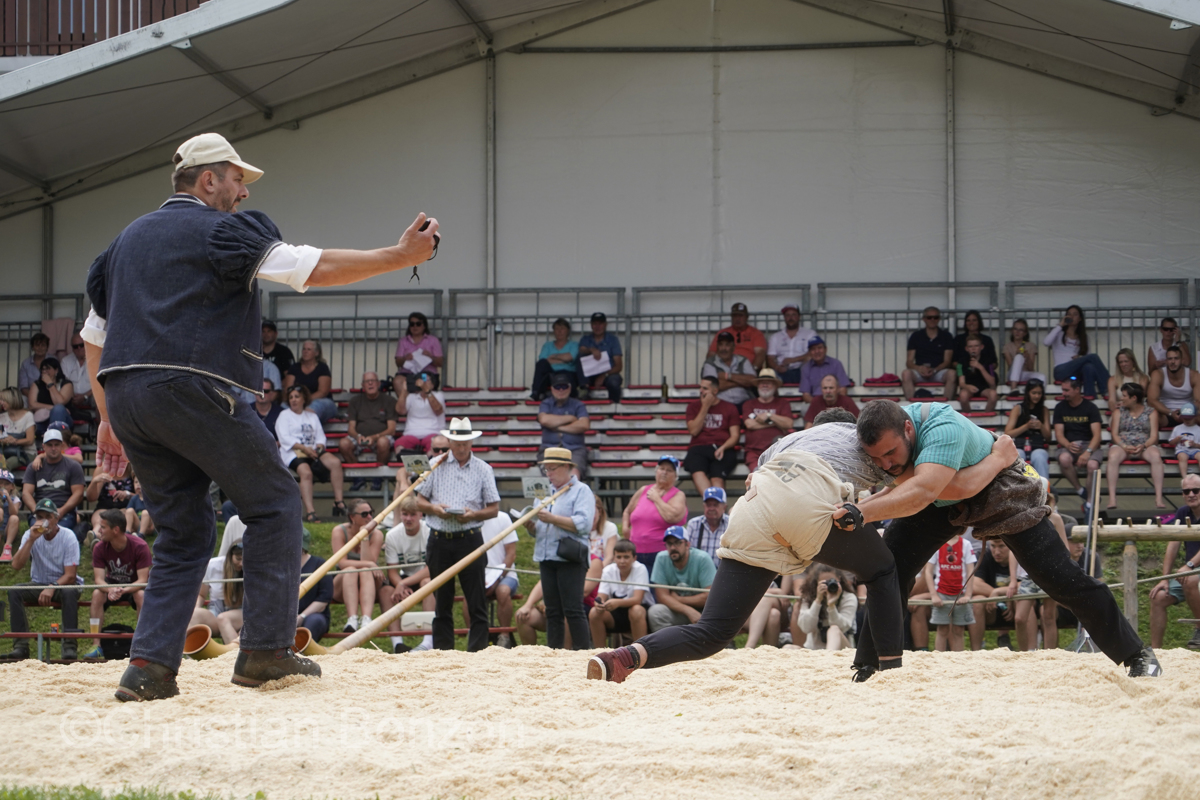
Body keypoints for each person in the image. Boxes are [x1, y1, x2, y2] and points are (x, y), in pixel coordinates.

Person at [83, 131, 439, 699]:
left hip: (128, 398)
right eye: (236, 178)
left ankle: (148, 667)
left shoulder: (123, 245)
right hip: (194, 386)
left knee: (181, 532)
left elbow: (94, 340)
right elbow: (310, 268)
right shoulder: (222, 230)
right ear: (208, 180)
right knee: (275, 504)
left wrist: (107, 420)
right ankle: (265, 652)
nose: (243, 191)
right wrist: (399, 257)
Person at [586, 419, 1014, 684]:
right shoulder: (861, 441)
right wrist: (995, 459)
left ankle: (625, 657)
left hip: (753, 509)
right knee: (884, 570)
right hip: (805, 502)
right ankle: (888, 671)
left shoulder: (791, 439)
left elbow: (756, 479)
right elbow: (931, 487)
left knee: (713, 632)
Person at [850, 399, 1160, 679]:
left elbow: (946, 489)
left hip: (998, 489)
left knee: (1060, 578)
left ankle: (1136, 653)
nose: (886, 465)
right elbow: (918, 486)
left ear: (908, 428)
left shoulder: (942, 426)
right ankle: (870, 664)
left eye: (891, 453)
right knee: (888, 568)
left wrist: (860, 512)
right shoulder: (882, 443)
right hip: (938, 498)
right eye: (877, 459)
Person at [415, 417, 501, 652]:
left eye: (465, 443)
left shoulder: (484, 469)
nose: (461, 447)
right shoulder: (434, 464)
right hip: (440, 538)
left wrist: (472, 515)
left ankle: (478, 652)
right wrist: (435, 509)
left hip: (470, 537)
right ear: (450, 442)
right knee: (442, 601)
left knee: (477, 601)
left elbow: (494, 509)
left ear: (471, 442)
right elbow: (418, 500)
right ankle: (444, 652)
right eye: (457, 442)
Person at [524, 447, 595, 650]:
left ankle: (583, 653)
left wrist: (553, 519)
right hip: (547, 556)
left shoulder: (582, 490)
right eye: (546, 470)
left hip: (570, 558)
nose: (549, 474)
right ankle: (553, 653)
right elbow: (542, 529)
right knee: (552, 610)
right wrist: (531, 526)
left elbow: (584, 524)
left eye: (553, 469)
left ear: (567, 468)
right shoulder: (544, 492)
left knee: (573, 610)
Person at [6, 499, 82, 660]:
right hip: (39, 583)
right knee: (15, 591)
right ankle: (21, 646)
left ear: (56, 518)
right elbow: (16, 565)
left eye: (48, 516)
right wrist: (31, 540)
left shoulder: (68, 536)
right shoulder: (30, 535)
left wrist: (53, 586)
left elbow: (70, 575)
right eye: (39, 516)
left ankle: (69, 646)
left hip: (63, 584)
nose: (43, 521)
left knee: (69, 593)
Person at [83, 509, 152, 658]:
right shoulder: (99, 547)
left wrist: (124, 590)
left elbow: (142, 580)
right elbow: (98, 580)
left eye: (103, 527)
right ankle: (96, 645)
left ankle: (140, 644)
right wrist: (111, 589)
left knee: (141, 595)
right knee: (96, 594)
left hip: (132, 587)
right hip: (111, 585)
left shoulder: (140, 546)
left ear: (115, 530)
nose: (99, 530)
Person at [277, 385, 347, 522]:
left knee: (335, 462)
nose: (294, 400)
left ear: (304, 399)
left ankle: (339, 502)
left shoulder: (312, 416)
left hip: (313, 451)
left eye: (297, 397)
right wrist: (304, 449)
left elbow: (320, 437)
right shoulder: (284, 416)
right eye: (291, 398)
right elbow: (284, 438)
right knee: (306, 473)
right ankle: (311, 511)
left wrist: (319, 447)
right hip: (292, 452)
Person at [1148, 473, 1200, 649]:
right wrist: (1165, 579)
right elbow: (1173, 543)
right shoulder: (1183, 512)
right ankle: (1156, 651)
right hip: (1191, 572)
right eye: (1186, 491)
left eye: (1195, 490)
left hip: (1192, 572)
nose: (1191, 494)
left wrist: (1189, 565)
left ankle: (1199, 628)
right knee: (1158, 597)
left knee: (1190, 578)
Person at [381, 494, 434, 653]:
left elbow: (432, 568)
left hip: (424, 576)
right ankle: (398, 643)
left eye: (412, 514)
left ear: (420, 515)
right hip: (403, 578)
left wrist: (403, 584)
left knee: (427, 584)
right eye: (405, 514)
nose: (408, 518)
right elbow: (392, 570)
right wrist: (399, 584)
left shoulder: (429, 531)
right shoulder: (392, 535)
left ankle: (428, 641)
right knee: (386, 591)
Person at [622, 455, 686, 579]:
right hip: (635, 553)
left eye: (669, 470)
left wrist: (657, 499)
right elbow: (627, 511)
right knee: (637, 591)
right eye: (661, 468)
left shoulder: (678, 495)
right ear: (656, 471)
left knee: (656, 592)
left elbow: (672, 517)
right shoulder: (643, 490)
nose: (664, 472)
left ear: (676, 476)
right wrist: (625, 528)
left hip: (661, 554)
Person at [1106, 382, 1165, 509]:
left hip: (1144, 445)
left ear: (1134, 398)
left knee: (1156, 456)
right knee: (1113, 456)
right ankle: (1112, 498)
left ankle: (1159, 498)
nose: (1121, 398)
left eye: (1124, 396)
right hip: (1123, 445)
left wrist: (1143, 446)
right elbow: (1114, 435)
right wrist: (1123, 445)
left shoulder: (1151, 412)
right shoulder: (1118, 412)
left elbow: (1154, 436)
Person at [647, 526, 716, 632]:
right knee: (655, 611)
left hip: (704, 611)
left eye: (678, 542)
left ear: (687, 544)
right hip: (678, 610)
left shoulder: (702, 558)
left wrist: (679, 599)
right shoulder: (661, 558)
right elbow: (661, 596)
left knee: (717, 611)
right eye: (669, 544)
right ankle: (666, 645)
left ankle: (720, 645)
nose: (673, 547)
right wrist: (688, 610)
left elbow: (709, 597)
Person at [330, 498, 384, 633]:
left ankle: (366, 619)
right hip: (343, 584)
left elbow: (369, 563)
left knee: (365, 570)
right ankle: (352, 619)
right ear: (352, 517)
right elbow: (342, 563)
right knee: (350, 570)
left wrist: (364, 536)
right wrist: (369, 563)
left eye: (371, 513)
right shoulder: (339, 531)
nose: (370, 517)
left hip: (369, 584)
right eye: (365, 514)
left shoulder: (377, 534)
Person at [22, 428, 85, 540]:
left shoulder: (73, 466)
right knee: (37, 534)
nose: (53, 448)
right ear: (43, 446)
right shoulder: (33, 467)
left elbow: (79, 494)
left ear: (62, 445)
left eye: (56, 444)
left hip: (64, 512)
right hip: (40, 510)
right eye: (50, 445)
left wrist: (61, 511)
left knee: (59, 534)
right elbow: (26, 493)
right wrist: (36, 511)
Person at [683, 376, 741, 494]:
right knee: (697, 471)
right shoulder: (693, 407)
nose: (701, 391)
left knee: (717, 477)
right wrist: (705, 406)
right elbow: (694, 431)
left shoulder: (730, 408)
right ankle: (710, 502)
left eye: (705, 388)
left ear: (715, 391)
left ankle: (718, 506)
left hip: (723, 448)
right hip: (699, 448)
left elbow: (735, 436)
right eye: (700, 387)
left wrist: (723, 447)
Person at [588, 539, 650, 647]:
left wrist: (617, 602)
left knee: (636, 610)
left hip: (639, 612)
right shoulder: (608, 570)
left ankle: (641, 652)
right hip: (615, 612)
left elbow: (637, 599)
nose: (622, 561)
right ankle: (599, 653)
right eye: (618, 557)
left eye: (626, 557)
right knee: (594, 612)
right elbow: (601, 596)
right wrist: (598, 603)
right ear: (614, 558)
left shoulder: (641, 569)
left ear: (634, 558)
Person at [921, 533, 976, 652]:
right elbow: (928, 572)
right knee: (942, 629)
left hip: (960, 594)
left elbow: (971, 571)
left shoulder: (966, 544)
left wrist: (967, 595)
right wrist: (934, 595)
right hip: (941, 593)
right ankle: (939, 658)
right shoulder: (937, 545)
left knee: (959, 630)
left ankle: (958, 659)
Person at [1043, 305, 1109, 398]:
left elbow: (1087, 357)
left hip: (1076, 372)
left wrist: (1080, 358)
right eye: (1069, 314)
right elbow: (1046, 342)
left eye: (1075, 314)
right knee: (1093, 357)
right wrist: (1060, 325)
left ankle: (1090, 398)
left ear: (1080, 319)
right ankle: (1107, 389)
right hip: (1061, 371)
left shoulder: (1083, 337)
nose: (1071, 317)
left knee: (1089, 367)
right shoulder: (1059, 333)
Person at [1052, 377, 1103, 499]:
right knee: (1064, 458)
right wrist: (1068, 445)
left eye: (1066, 390)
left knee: (1092, 465)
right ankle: (1080, 490)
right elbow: (1059, 435)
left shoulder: (1091, 407)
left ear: (1077, 390)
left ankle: (1090, 503)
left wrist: (1088, 452)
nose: (1063, 393)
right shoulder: (1060, 407)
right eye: (1063, 390)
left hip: (1089, 445)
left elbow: (1097, 435)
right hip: (1069, 445)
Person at [338, 372, 397, 472]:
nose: (370, 384)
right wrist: (358, 436)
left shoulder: (389, 401)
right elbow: (351, 428)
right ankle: (357, 476)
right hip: (360, 437)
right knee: (343, 443)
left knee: (383, 442)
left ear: (378, 384)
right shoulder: (355, 401)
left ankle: (378, 476)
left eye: (373, 381)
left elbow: (391, 430)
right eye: (367, 381)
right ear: (363, 386)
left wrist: (374, 437)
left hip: (380, 437)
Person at [968, 538, 1017, 651]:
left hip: (1015, 606)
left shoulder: (1020, 556)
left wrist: (999, 592)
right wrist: (999, 598)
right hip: (991, 609)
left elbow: (1027, 584)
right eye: (993, 546)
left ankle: (1028, 651)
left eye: (1001, 546)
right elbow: (975, 585)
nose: (997, 551)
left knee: (1024, 600)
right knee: (978, 600)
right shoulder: (984, 555)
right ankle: (976, 652)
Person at [792, 565, 856, 650]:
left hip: (842, 650)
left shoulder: (848, 597)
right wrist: (817, 601)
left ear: (839, 579)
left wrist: (832, 606)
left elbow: (843, 627)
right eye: (824, 583)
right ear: (816, 583)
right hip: (814, 650)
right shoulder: (808, 597)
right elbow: (806, 628)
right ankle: (824, 658)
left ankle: (827, 660)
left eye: (832, 581)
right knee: (788, 647)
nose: (829, 585)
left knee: (834, 630)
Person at [740, 369, 794, 469]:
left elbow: (789, 424)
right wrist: (775, 423)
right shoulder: (749, 404)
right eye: (761, 383)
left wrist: (769, 415)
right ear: (757, 386)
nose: (764, 385)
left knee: (777, 479)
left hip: (778, 451)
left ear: (774, 386)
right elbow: (749, 425)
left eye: (768, 383)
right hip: (754, 452)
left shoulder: (783, 403)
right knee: (758, 476)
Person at [537, 376, 590, 476]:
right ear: (552, 389)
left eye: (564, 386)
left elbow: (584, 425)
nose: (561, 390)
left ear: (569, 388)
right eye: (557, 387)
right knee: (551, 475)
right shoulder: (546, 404)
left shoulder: (578, 405)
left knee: (573, 476)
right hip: (549, 450)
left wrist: (557, 427)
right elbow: (544, 420)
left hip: (575, 449)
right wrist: (571, 418)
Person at [482, 512, 520, 649]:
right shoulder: (470, 520)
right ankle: (475, 637)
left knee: (502, 591)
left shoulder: (502, 518)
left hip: (506, 575)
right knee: (470, 594)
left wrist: (497, 578)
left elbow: (511, 553)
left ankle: (504, 637)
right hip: (481, 577)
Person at [902, 307, 955, 401]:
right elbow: (909, 362)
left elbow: (947, 361)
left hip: (938, 371)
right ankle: (912, 408)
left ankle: (946, 408)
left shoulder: (946, 336)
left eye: (935, 317)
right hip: (920, 371)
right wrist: (919, 368)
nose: (933, 320)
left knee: (952, 373)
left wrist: (934, 370)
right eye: (929, 317)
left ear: (939, 319)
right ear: (924, 319)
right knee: (906, 373)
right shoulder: (916, 336)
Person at [284, 340, 337, 424]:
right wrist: (298, 400)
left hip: (319, 400)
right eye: (304, 349)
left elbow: (323, 392)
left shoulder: (322, 368)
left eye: (309, 349)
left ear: (316, 353)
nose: (305, 352)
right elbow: (288, 389)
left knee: (313, 407)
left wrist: (304, 400)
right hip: (297, 399)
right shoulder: (294, 368)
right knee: (282, 408)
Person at [1005, 380, 1050, 479]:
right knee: (1018, 456)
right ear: (1028, 393)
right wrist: (1026, 426)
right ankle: (1017, 490)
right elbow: (1008, 433)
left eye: (1039, 393)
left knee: (1039, 457)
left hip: (1038, 446)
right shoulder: (1018, 408)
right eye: (1034, 393)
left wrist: (1041, 426)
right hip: (1020, 445)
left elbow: (1048, 437)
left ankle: (1044, 490)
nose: (1037, 396)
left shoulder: (1044, 410)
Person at [297, 527, 334, 644]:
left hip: (313, 614)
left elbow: (324, 598)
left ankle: (301, 654)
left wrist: (301, 616)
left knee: (313, 621)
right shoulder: (282, 566)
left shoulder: (319, 564)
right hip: (285, 615)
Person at [701, 331, 757, 408]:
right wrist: (742, 382)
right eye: (720, 345)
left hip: (744, 403)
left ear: (733, 347)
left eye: (727, 345)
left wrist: (728, 376)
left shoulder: (743, 360)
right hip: (720, 404)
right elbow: (711, 387)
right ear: (717, 347)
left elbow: (753, 381)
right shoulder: (710, 363)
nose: (723, 348)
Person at [1149, 345, 1200, 428]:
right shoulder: (1158, 374)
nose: (1173, 362)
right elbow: (1152, 400)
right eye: (1170, 359)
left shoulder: (1194, 375)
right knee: (1152, 417)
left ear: (1182, 360)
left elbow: (1198, 401)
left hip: (1189, 415)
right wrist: (1170, 412)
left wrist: (1185, 411)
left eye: (1176, 358)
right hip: (1166, 414)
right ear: (1166, 361)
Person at [394, 372, 446, 455]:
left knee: (434, 449)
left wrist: (427, 391)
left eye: (426, 380)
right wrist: (404, 391)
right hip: (411, 433)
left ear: (432, 385)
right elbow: (400, 411)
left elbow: (438, 410)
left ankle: (429, 464)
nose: (423, 382)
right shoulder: (411, 397)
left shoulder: (438, 395)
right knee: (400, 447)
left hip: (433, 432)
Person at [577, 311, 624, 402]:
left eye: (600, 324)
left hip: (608, 373)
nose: (597, 327)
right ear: (591, 325)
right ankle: (584, 390)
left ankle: (614, 410)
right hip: (589, 375)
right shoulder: (585, 339)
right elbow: (581, 350)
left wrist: (604, 375)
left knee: (614, 382)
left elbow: (618, 366)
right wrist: (591, 350)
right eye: (595, 324)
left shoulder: (613, 340)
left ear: (605, 324)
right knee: (580, 357)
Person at [393, 311, 444, 395]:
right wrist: (405, 359)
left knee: (424, 380)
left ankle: (421, 405)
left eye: (418, 324)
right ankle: (405, 406)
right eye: (412, 324)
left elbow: (440, 362)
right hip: (407, 374)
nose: (415, 326)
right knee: (397, 381)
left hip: (426, 373)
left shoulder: (433, 340)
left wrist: (430, 357)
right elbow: (398, 362)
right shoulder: (403, 341)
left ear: (424, 326)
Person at [767, 303, 817, 385]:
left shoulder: (809, 334)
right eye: (788, 315)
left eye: (793, 315)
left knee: (809, 360)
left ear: (799, 317)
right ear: (784, 318)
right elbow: (770, 357)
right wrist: (777, 367)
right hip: (781, 370)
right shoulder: (776, 337)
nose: (790, 318)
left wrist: (793, 360)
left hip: (802, 369)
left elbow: (814, 352)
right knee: (769, 375)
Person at [84, 466, 136, 544]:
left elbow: (142, 496)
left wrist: (127, 494)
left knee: (122, 519)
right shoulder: (102, 469)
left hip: (125, 506)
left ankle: (122, 540)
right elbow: (91, 498)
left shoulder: (132, 469)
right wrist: (94, 482)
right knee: (100, 520)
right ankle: (95, 537)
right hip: (104, 506)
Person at [530, 318, 579, 400]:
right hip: (551, 374)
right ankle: (536, 393)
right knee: (541, 364)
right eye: (557, 329)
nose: (559, 331)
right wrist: (563, 360)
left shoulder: (574, 344)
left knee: (568, 377)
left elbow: (570, 357)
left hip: (568, 374)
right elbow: (544, 360)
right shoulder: (547, 345)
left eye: (562, 329)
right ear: (553, 331)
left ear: (568, 331)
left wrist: (553, 356)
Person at [707, 302, 767, 370]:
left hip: (748, 370)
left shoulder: (756, 333)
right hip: (724, 369)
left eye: (740, 316)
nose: (737, 319)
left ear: (747, 317)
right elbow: (711, 353)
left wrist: (752, 370)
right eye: (735, 316)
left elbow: (760, 354)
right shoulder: (723, 333)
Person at [27, 356, 75, 435]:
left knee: (58, 409)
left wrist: (50, 384)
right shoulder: (37, 384)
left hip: (63, 421)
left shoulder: (66, 384)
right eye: (43, 369)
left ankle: (54, 437)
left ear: (56, 370)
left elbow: (59, 402)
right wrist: (52, 408)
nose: (45, 371)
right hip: (42, 420)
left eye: (48, 369)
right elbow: (32, 405)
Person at [797, 337, 850, 404]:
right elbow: (806, 395)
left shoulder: (836, 364)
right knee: (804, 409)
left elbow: (843, 390)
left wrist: (834, 406)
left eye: (819, 348)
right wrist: (818, 406)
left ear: (825, 349)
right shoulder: (805, 368)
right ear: (809, 352)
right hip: (815, 404)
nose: (817, 351)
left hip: (835, 402)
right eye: (813, 349)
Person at [684, 487, 728, 566]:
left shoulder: (731, 524)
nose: (711, 508)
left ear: (724, 507)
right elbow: (685, 552)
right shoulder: (693, 524)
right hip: (699, 574)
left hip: (724, 574)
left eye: (715, 505)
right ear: (703, 506)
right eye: (708, 505)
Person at [956, 333, 998, 412]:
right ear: (966, 348)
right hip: (969, 388)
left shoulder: (988, 360)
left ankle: (985, 419)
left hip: (984, 388)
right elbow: (961, 383)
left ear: (981, 347)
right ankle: (968, 421)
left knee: (993, 394)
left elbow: (992, 383)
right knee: (963, 395)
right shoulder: (961, 362)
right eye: (970, 346)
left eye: (976, 346)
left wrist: (980, 367)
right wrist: (968, 387)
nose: (973, 349)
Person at [0, 386, 37, 471]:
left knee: (4, 465)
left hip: (25, 453)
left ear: (11, 400)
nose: (1, 402)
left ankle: (4, 484)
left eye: (3, 400)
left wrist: (14, 441)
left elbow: (30, 440)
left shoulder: (28, 415)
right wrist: (4, 440)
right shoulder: (1, 417)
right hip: (6, 451)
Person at [1002, 318, 1046, 386]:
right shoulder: (1007, 346)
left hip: (1024, 374)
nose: (1017, 332)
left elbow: (1031, 369)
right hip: (1012, 375)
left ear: (1025, 333)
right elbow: (1010, 366)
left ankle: (1041, 396)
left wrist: (1027, 357)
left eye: (1021, 330)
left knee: (1042, 377)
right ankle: (1013, 389)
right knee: (1019, 356)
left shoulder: (1031, 345)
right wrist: (1017, 356)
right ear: (1012, 331)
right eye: (1015, 329)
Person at [61, 334, 95, 417]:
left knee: (99, 399)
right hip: (71, 397)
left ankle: (100, 428)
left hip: (90, 396)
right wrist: (72, 396)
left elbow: (99, 384)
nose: (79, 348)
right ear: (72, 348)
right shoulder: (65, 361)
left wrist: (85, 396)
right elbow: (64, 383)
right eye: (75, 346)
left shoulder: (95, 359)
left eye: (81, 345)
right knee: (60, 399)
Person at [1167, 403, 1200, 478]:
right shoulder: (1178, 428)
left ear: (1195, 417)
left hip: (1195, 450)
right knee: (1182, 457)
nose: (1187, 421)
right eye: (1185, 419)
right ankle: (1184, 477)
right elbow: (1171, 442)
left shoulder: (1198, 429)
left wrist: (1195, 445)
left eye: (1190, 419)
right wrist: (1177, 439)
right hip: (1182, 450)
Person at [0, 469, 21, 563]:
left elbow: (14, 513)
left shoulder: (15, 499)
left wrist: (8, 499)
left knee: (14, 518)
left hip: (7, 530)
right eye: (0, 483)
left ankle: (7, 548)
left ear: (12, 486)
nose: (2, 486)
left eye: (6, 484)